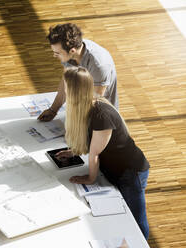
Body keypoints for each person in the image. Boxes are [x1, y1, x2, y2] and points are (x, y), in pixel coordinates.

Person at [57, 66, 150, 239]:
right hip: (113, 169)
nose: (63, 90)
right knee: (123, 219)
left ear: (76, 90)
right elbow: (91, 140)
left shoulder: (101, 114)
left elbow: (94, 154)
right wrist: (73, 152)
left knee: (136, 221)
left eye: (66, 86)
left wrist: (89, 178)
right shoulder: (85, 107)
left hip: (130, 172)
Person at [38, 23, 118, 122]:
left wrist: (75, 123)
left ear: (72, 51)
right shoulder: (70, 53)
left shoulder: (99, 64)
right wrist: (53, 110)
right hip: (81, 104)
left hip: (101, 114)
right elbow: (66, 82)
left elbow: (95, 100)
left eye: (57, 53)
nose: (54, 56)